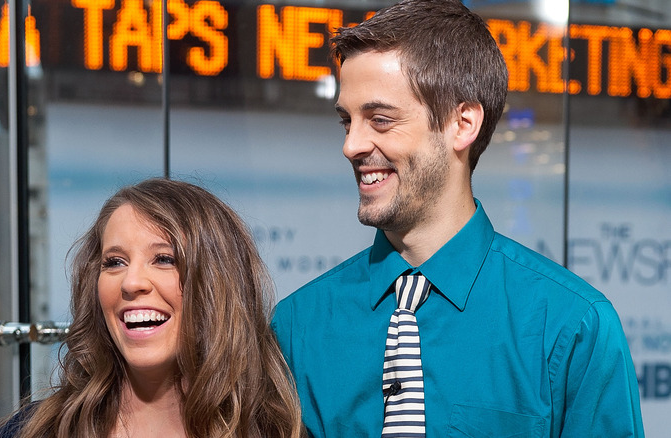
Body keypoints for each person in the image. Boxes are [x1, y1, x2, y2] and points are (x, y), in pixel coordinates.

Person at [271, 1, 644, 437]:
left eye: (380, 119)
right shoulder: (297, 326)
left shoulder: (571, 326)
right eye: (346, 122)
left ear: (462, 124)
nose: (351, 145)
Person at [0, 178, 305, 438]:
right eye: (115, 262)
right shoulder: (34, 430)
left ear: (218, 282)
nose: (131, 282)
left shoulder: (276, 429)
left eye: (164, 259)